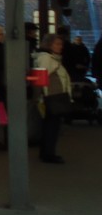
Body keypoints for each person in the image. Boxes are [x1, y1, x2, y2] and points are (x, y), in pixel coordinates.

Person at [33, 33, 72, 164]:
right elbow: (41, 79)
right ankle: (49, 154)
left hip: (52, 96)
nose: (60, 47)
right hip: (52, 97)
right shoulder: (47, 59)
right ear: (49, 44)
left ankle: (46, 153)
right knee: (52, 127)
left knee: (50, 126)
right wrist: (40, 96)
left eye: (61, 44)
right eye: (57, 44)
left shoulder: (51, 58)